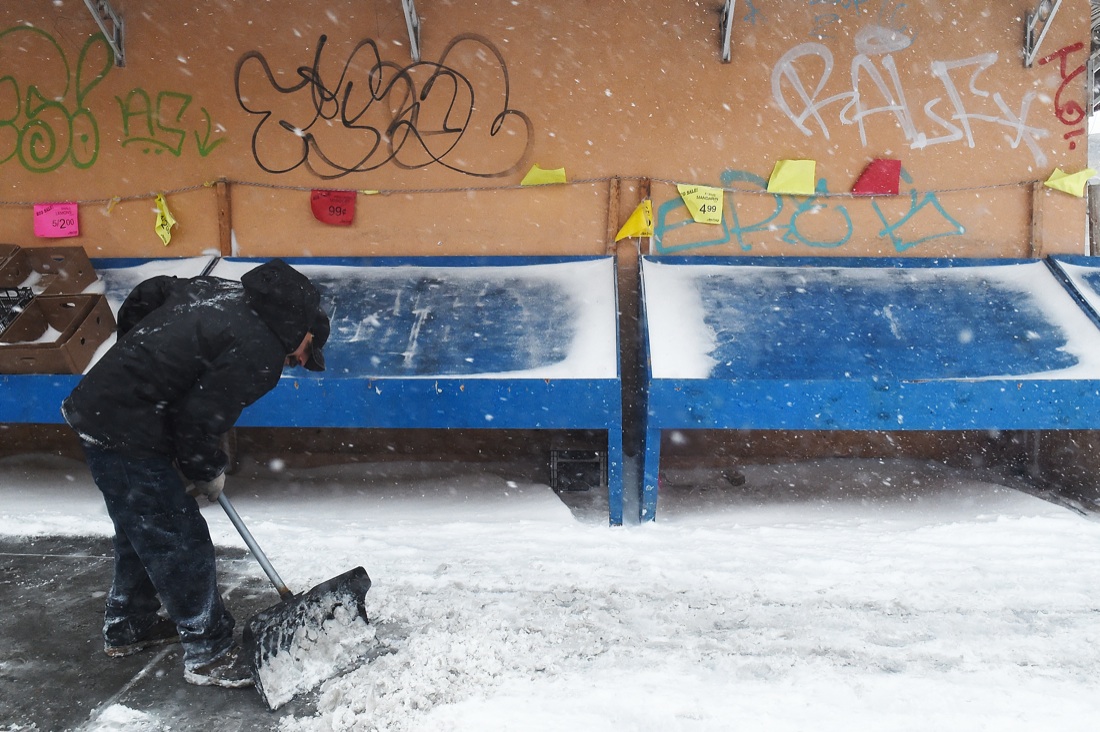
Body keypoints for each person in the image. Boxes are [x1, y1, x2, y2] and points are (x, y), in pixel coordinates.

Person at [61, 258, 329, 689]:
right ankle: (209, 653)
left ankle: (130, 624)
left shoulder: (221, 291)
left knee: (142, 527)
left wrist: (143, 361)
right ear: (304, 330)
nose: (297, 361)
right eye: (305, 353)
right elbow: (200, 421)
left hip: (104, 409)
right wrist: (206, 470)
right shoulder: (261, 352)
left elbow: (151, 292)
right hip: (127, 428)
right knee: (178, 539)